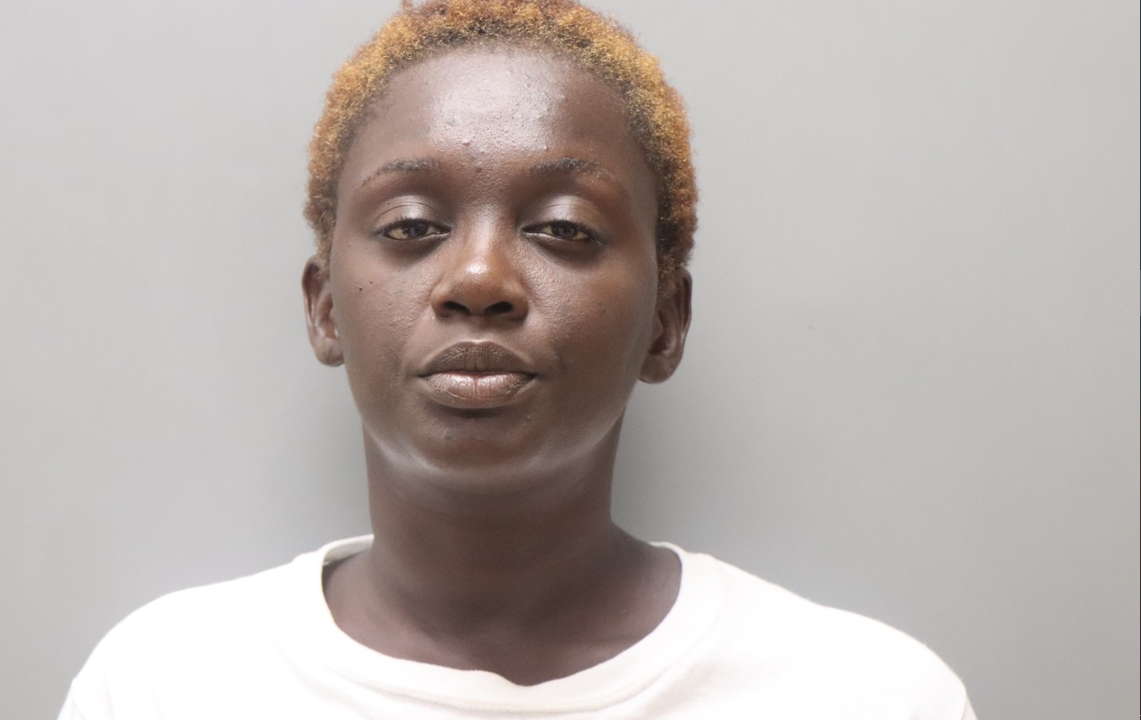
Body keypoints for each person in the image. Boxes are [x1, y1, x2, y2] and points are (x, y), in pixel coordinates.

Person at [58, 1, 976, 717]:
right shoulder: (161, 687)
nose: (479, 279)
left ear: (667, 319)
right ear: (325, 306)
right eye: (411, 226)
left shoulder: (869, 698)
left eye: (564, 229)